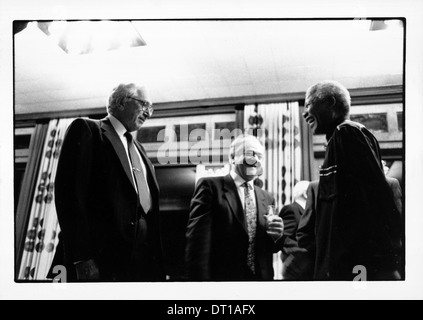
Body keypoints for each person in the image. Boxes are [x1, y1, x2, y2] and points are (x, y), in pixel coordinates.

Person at [48, 83, 165, 282]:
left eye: (151, 108)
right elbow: (69, 197)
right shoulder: (87, 129)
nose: (149, 113)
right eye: (144, 105)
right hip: (94, 262)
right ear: (120, 102)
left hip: (136, 266)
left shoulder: (141, 151)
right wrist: (81, 258)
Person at [301, 80, 402, 280]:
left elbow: (372, 204)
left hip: (352, 270)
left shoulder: (347, 133)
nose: (304, 113)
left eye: (308, 104)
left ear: (329, 103)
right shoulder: (338, 138)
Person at [185, 134, 284, 281]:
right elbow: (198, 247)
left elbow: (269, 248)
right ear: (232, 157)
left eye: (260, 156)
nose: (256, 159)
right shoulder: (210, 187)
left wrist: (277, 237)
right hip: (223, 284)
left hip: (262, 283)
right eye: (250, 153)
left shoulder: (267, 197)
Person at [279, 180, 310, 263]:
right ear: (305, 194)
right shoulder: (291, 210)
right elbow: (286, 240)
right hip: (298, 265)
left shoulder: (308, 211)